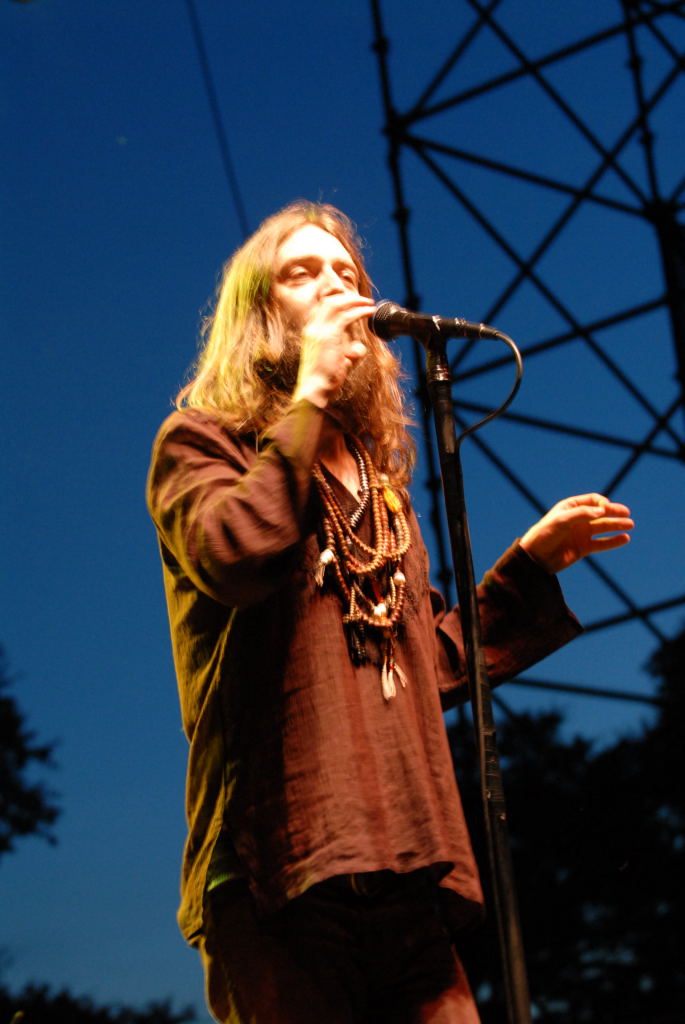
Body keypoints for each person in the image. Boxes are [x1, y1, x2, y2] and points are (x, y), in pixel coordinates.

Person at [146, 201, 633, 1024]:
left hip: (405, 865)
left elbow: (422, 663)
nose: (334, 286)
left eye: (347, 272)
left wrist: (530, 564)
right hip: (278, 870)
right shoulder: (200, 443)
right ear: (261, 312)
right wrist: (308, 392)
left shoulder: (381, 492)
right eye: (303, 273)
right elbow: (237, 551)